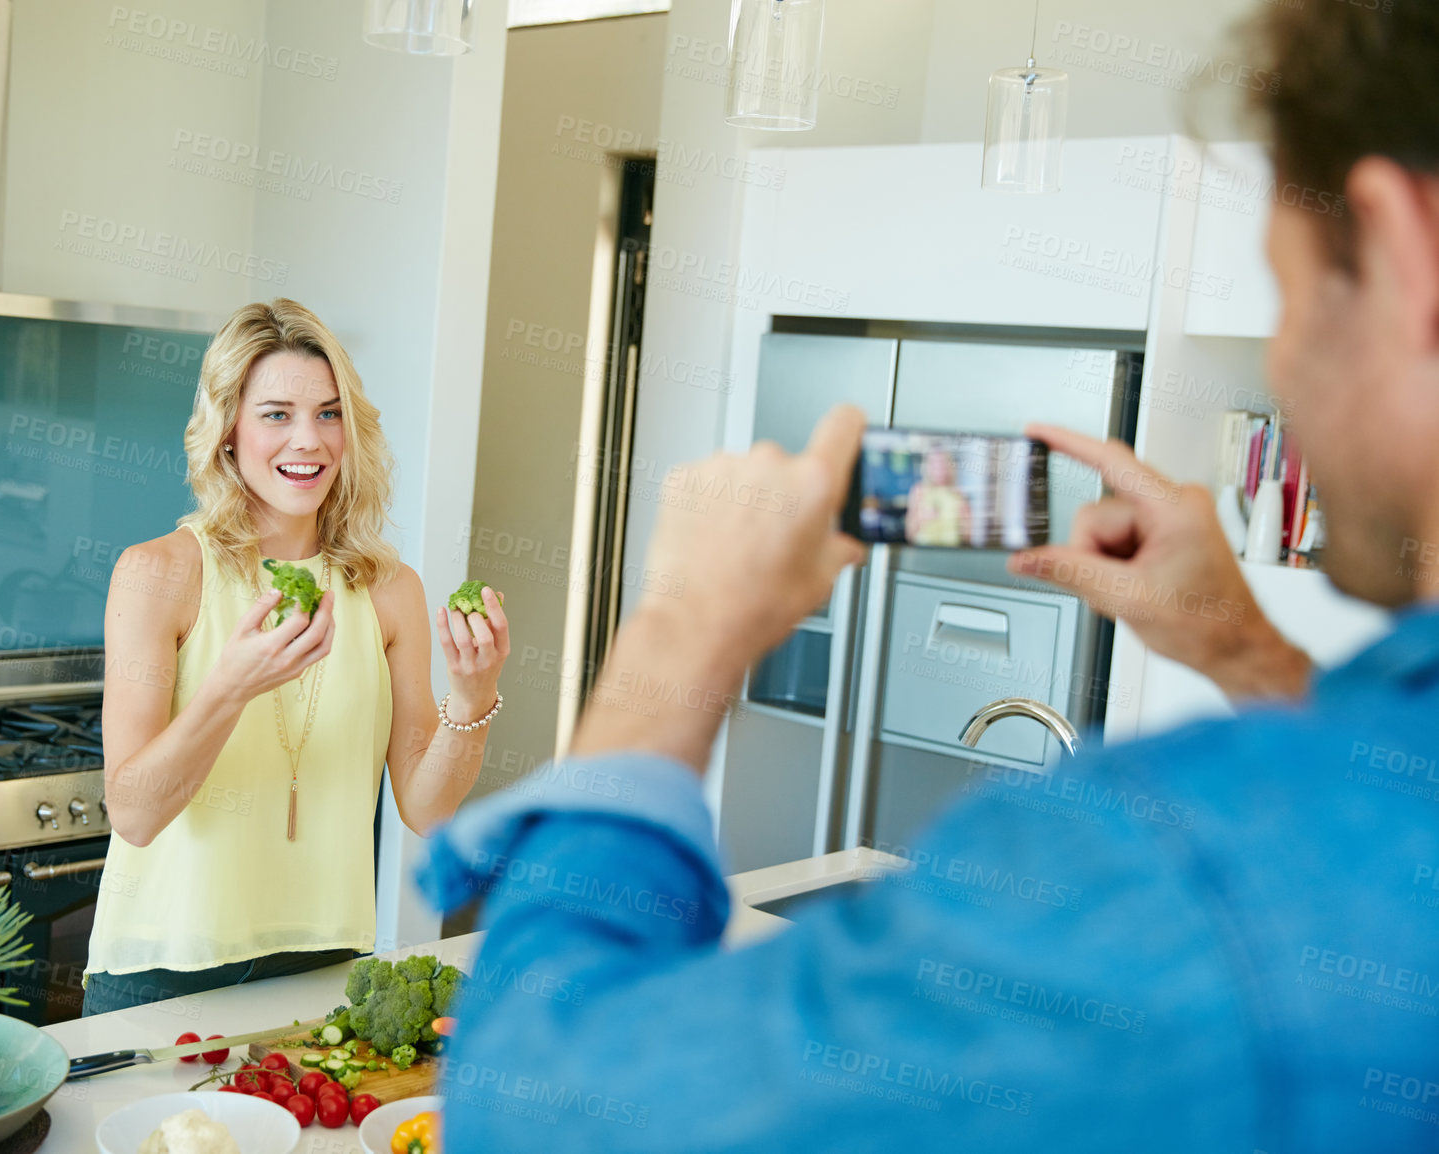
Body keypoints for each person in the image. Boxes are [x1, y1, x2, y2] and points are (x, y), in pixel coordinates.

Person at [417, 4, 1439, 1149]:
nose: (1289, 360)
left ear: (1403, 250)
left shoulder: (1166, 865)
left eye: (1289, 293)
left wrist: (679, 632)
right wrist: (1248, 654)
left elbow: (538, 1109)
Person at [82, 299, 509, 1014]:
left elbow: (428, 809)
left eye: (329, 413)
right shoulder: (158, 574)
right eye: (276, 413)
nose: (307, 439)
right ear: (228, 431)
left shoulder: (389, 590)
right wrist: (229, 688)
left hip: (324, 966)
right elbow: (134, 814)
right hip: (166, 971)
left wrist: (473, 697)